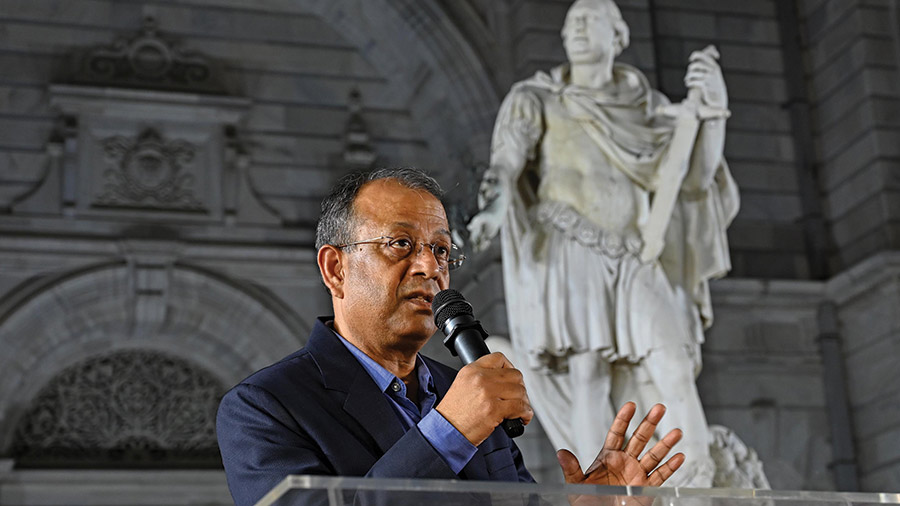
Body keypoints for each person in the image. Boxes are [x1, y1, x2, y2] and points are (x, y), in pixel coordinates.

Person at [216, 167, 685, 506]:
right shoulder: (263, 407)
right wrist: (451, 430)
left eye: (440, 249)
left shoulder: (466, 391)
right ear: (335, 269)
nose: (429, 267)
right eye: (400, 244)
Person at [467, 0, 739, 487]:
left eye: (590, 20)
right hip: (569, 246)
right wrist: (497, 202)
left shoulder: (646, 107)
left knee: (671, 357)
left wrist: (713, 111)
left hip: (636, 251)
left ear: (618, 36)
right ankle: (602, 484)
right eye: (572, 21)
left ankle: (700, 479)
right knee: (587, 371)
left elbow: (694, 177)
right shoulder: (540, 96)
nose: (577, 28)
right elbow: (508, 161)